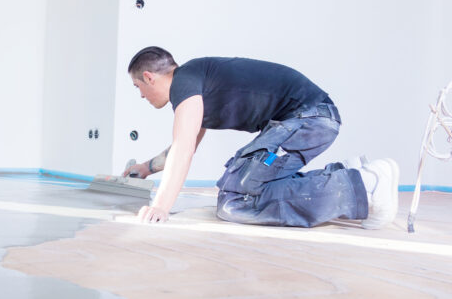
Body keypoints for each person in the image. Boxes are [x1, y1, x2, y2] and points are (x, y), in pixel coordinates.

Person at [122, 47, 399, 228]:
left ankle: (366, 184)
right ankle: (352, 177)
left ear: (150, 77)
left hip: (309, 118)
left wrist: (160, 207)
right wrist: (146, 168)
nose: (141, 96)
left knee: (235, 198)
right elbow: (186, 146)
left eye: (138, 87)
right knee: (240, 191)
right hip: (309, 118)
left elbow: (183, 148)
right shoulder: (195, 83)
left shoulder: (185, 82)